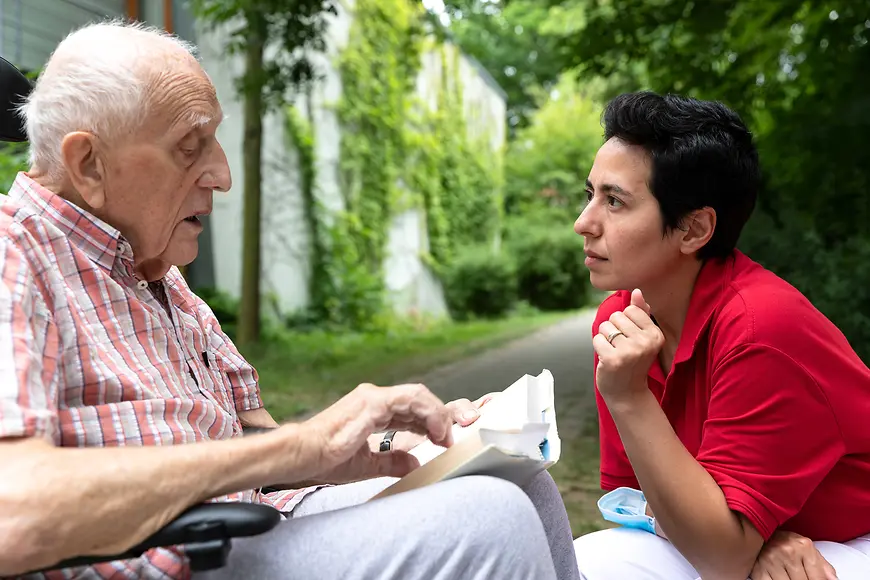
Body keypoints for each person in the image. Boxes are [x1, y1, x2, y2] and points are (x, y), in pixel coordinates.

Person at [0, 21, 579, 580]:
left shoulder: (158, 272)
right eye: (189, 147)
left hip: (254, 521)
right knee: (487, 520)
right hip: (174, 558)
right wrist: (300, 446)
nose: (222, 175)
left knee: (518, 479)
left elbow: (260, 446)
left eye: (215, 141)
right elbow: (13, 513)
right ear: (88, 164)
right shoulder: (15, 255)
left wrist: (389, 445)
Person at [572, 91, 870, 580]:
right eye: (591, 195)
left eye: (615, 202)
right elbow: (634, 503)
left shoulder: (760, 328)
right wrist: (757, 538)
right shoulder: (623, 317)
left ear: (694, 229)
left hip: (851, 540)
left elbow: (722, 559)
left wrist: (629, 398)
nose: (584, 223)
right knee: (593, 558)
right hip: (751, 536)